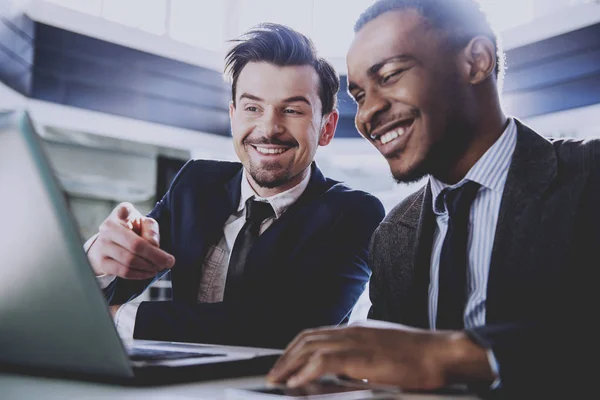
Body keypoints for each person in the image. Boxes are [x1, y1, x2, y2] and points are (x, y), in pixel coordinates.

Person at [267, 0, 598, 395]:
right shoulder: (393, 233)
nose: (367, 113)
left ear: (476, 62)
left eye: (389, 75)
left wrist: (463, 355)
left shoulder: (588, 176)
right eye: (358, 95)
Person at [86, 23, 385, 349]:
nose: (269, 128)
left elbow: (284, 329)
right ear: (233, 116)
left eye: (291, 110)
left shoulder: (355, 213)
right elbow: (111, 285)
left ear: (326, 128)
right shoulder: (195, 184)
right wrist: (102, 258)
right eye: (252, 108)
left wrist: (119, 320)